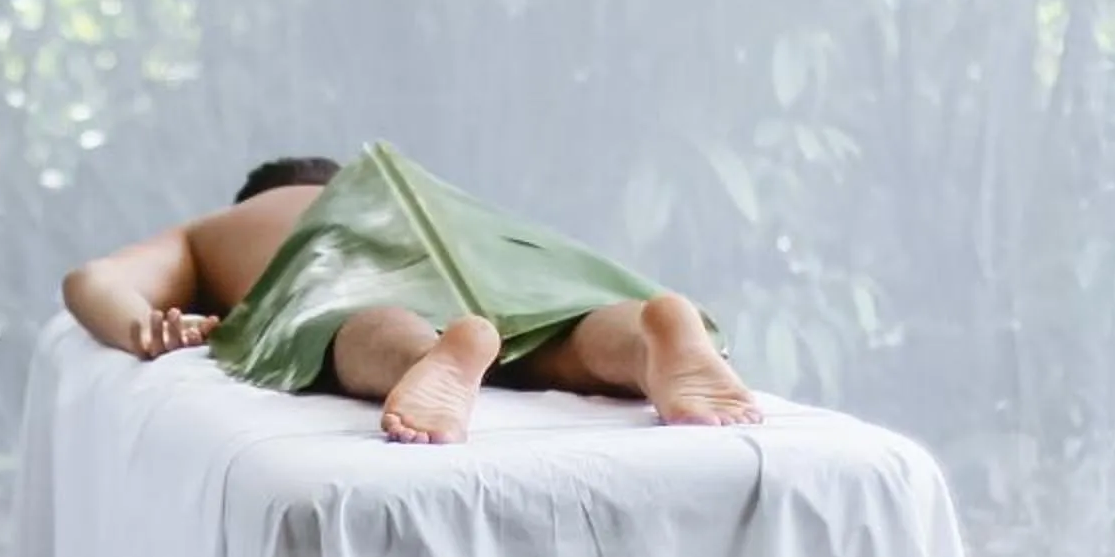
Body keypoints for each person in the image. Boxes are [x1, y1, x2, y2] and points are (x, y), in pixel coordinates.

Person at [60, 145, 760, 446]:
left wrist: (143, 328)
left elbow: (93, 281)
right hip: (480, 242)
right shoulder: (407, 194)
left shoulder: (229, 227)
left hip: (341, 260)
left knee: (351, 320)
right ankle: (650, 333)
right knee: (557, 332)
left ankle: (426, 357)